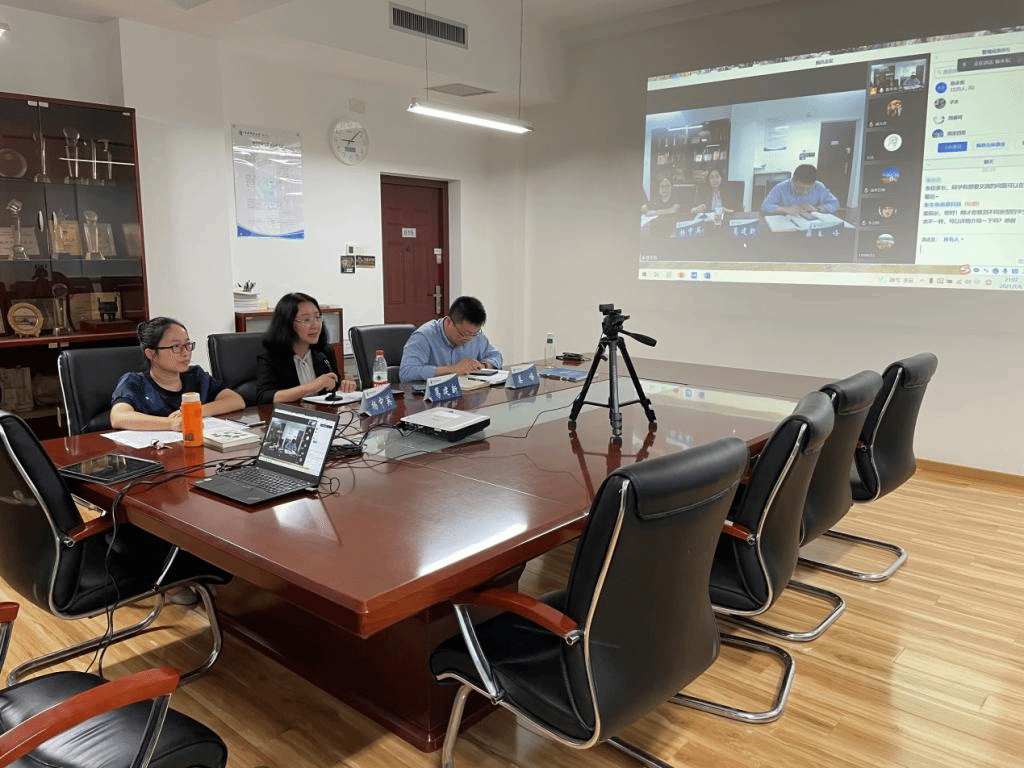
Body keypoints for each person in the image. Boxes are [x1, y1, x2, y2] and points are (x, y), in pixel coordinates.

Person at [110, 317, 245, 431]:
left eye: (187, 344)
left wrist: (195, 412)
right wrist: (171, 423)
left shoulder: (195, 376)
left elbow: (236, 400)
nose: (185, 352)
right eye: (175, 347)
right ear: (151, 353)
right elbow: (118, 417)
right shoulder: (135, 382)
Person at [255, 292, 355, 404]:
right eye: (306, 320)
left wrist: (343, 387)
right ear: (287, 324)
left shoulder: (324, 352)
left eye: (317, 317)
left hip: (320, 413)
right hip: (289, 414)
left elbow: (333, 388)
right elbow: (265, 396)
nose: (315, 325)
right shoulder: (271, 356)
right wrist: (313, 386)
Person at [399, 296, 503, 382]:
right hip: (432, 397)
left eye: (473, 334)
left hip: (467, 394)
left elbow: (496, 356)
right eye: (464, 334)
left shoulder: (476, 336)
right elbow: (406, 372)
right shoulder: (424, 336)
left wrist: (482, 366)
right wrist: (453, 369)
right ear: (449, 322)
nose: (469, 339)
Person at [760, 164, 839, 216]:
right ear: (793, 180)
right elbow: (764, 207)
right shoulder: (781, 187)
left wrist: (817, 209)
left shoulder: (819, 186)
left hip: (810, 224)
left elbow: (835, 203)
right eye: (800, 188)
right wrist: (785, 209)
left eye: (808, 189)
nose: (804, 192)